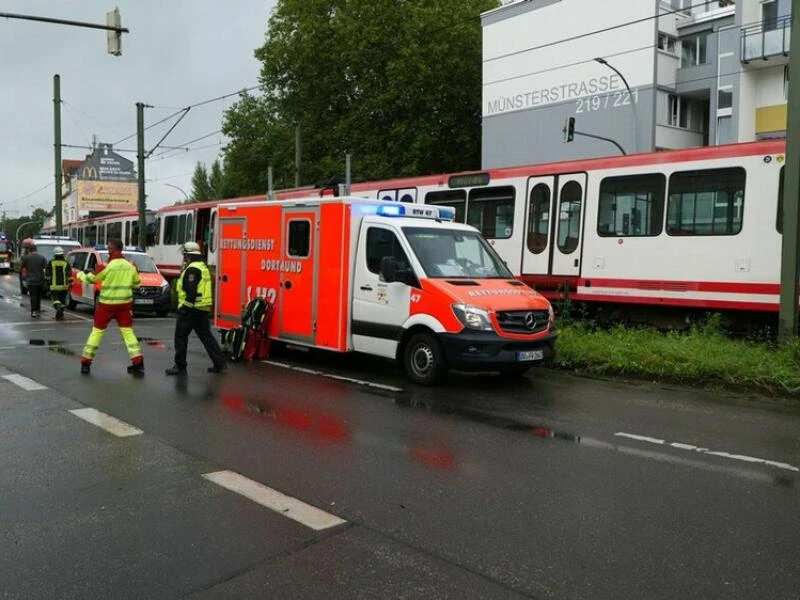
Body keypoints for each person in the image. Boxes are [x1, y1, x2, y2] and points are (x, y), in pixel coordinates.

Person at [78, 238, 144, 376]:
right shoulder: (130, 266)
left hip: (106, 306)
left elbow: (91, 279)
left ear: (111, 250)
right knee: (128, 334)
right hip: (124, 306)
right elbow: (137, 284)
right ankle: (138, 363)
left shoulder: (106, 266)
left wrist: (80, 274)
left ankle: (86, 363)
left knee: (97, 333)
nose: (108, 250)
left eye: (109, 248)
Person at [165, 241, 227, 375]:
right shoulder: (202, 267)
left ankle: (180, 366)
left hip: (192, 308)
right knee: (206, 337)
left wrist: (184, 308)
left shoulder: (192, 269)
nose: (184, 257)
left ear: (188, 255)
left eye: (185, 255)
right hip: (202, 308)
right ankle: (219, 363)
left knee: (181, 336)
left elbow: (191, 292)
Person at [20, 242, 47, 318]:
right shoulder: (42, 258)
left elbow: (22, 268)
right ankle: (38, 310)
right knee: (38, 296)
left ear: (30, 250)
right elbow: (45, 269)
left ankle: (34, 311)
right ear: (36, 250)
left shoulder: (26, 258)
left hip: (31, 281)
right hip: (40, 280)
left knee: (33, 296)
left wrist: (24, 279)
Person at [45, 246, 72, 320]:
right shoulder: (66, 263)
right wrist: (70, 283)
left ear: (55, 254)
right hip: (64, 286)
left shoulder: (51, 262)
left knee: (56, 300)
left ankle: (58, 309)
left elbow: (47, 275)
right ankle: (60, 314)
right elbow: (69, 275)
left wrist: (47, 283)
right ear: (62, 254)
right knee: (63, 301)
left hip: (54, 286)